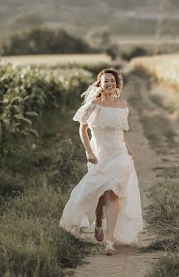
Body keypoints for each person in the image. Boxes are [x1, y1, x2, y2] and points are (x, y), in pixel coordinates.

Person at [59, 68, 143, 255]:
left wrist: (127, 146)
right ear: (100, 84)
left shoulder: (122, 105)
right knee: (99, 193)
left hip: (119, 155)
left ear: (117, 84)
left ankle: (110, 240)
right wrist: (89, 152)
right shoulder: (92, 105)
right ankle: (98, 221)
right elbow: (83, 130)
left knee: (114, 194)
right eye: (105, 81)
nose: (109, 84)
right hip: (100, 154)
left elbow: (121, 129)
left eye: (112, 81)